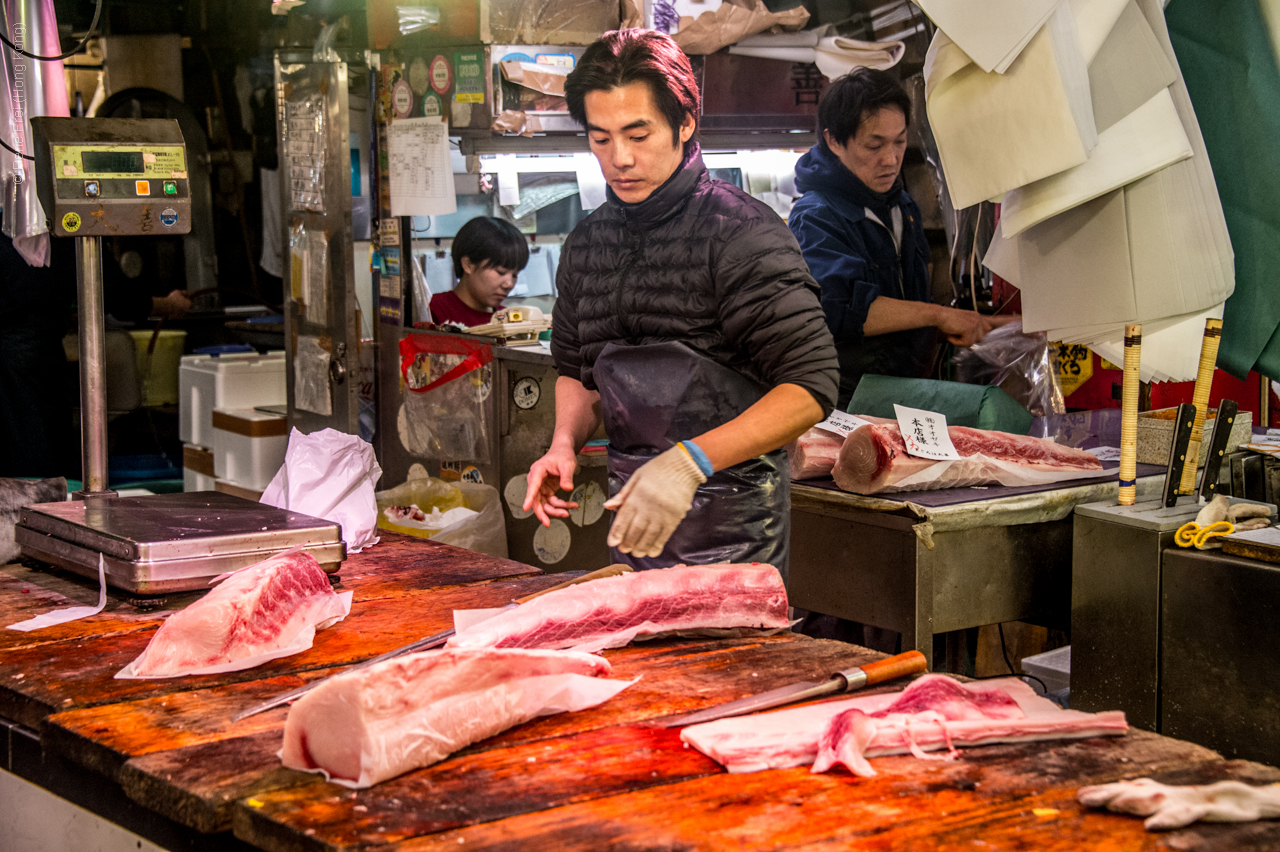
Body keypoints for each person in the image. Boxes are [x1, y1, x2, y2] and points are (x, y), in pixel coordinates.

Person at [521, 29, 840, 574]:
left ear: (685, 123)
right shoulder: (587, 243)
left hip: (736, 538)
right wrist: (563, 443)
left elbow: (811, 387)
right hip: (633, 524)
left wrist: (690, 462)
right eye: (601, 139)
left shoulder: (740, 232)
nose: (619, 158)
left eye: (637, 134)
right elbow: (578, 369)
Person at [789, 69, 1013, 410]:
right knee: (991, 411)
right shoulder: (816, 215)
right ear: (834, 141)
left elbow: (910, 299)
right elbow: (845, 309)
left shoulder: (901, 204)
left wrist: (989, 327)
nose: (891, 159)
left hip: (903, 387)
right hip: (848, 399)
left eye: (899, 141)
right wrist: (938, 315)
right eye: (874, 145)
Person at [430, 216, 529, 328]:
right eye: (501, 272)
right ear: (468, 264)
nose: (509, 284)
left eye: (515, 275)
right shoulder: (434, 311)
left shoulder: (506, 319)